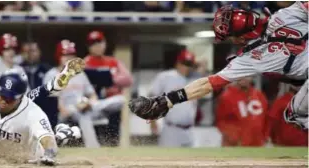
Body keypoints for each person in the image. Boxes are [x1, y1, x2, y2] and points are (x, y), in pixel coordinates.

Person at [129, 2, 308, 130]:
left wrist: (167, 100)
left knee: (294, 115)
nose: (231, 40)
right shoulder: (283, 15)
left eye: (230, 36)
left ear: (240, 35)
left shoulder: (252, 56)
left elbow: (208, 84)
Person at [45, 40, 124, 148]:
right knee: (84, 116)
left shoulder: (80, 74)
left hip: (86, 107)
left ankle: (106, 142)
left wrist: (89, 103)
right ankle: (94, 149)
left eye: (71, 55)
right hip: (67, 111)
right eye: (65, 55)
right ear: (58, 56)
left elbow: (92, 95)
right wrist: (66, 109)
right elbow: (52, 101)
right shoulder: (52, 75)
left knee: (120, 100)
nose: (68, 58)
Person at [149, 49, 198, 147]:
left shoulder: (194, 79)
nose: (187, 67)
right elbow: (152, 99)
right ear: (177, 63)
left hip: (189, 131)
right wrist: (152, 121)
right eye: (184, 63)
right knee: (167, 160)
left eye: (189, 64)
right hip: (171, 130)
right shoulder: (165, 77)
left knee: (190, 161)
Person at [216, 77, 268, 146]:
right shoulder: (227, 96)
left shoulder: (259, 95)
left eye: (248, 76)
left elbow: (266, 118)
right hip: (234, 144)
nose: (245, 78)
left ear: (252, 77)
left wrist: (265, 136)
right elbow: (220, 121)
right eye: (242, 76)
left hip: (256, 143)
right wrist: (232, 136)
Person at [84, 30, 133, 98]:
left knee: (119, 99)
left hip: (113, 100)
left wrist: (109, 79)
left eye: (99, 42)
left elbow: (128, 79)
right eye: (93, 44)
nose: (97, 46)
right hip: (94, 101)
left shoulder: (113, 61)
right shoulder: (85, 63)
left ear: (105, 43)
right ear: (88, 47)